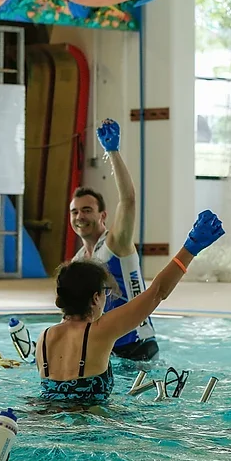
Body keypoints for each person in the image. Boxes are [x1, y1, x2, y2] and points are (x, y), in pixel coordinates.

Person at [38, 210, 225, 403]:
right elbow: (158, 291)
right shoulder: (99, 332)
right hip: (90, 428)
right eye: (105, 292)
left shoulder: (45, 338)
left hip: (46, 419)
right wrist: (190, 248)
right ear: (95, 298)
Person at [71, 119, 158, 361]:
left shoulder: (116, 244)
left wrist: (112, 152)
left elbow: (128, 200)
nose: (80, 217)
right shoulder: (79, 261)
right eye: (75, 211)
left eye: (87, 210)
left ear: (103, 215)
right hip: (105, 351)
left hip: (137, 350)